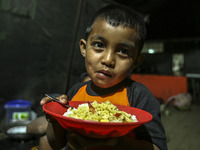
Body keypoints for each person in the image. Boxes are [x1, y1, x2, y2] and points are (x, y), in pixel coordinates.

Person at [40, 4, 167, 150]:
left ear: (137, 61)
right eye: (99, 44)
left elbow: (158, 147)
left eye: (124, 51)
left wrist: (119, 144)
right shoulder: (75, 93)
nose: (108, 60)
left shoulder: (138, 96)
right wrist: (55, 118)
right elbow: (56, 143)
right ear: (84, 48)